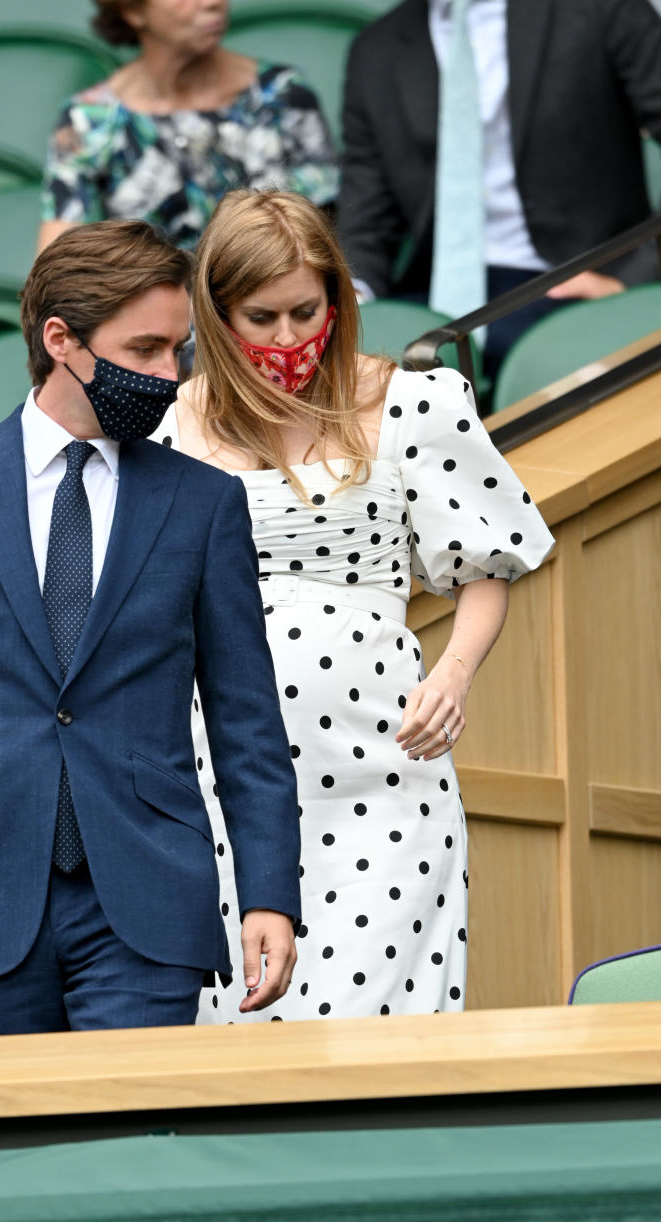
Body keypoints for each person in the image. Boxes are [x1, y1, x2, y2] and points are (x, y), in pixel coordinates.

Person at [0, 219, 301, 1036]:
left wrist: (270, 892)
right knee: (12, 1156)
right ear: (61, 339)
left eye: (177, 350)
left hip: (151, 897)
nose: (169, 374)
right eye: (147, 349)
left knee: (134, 1146)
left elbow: (248, 722)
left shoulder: (204, 502)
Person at [155, 190, 554, 1020]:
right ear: (216, 312)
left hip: (385, 779)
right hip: (216, 785)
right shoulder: (170, 422)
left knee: (373, 1042)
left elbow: (488, 563)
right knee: (239, 1058)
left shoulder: (414, 401)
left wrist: (454, 672)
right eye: (261, 316)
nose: (290, 337)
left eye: (309, 309)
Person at [336, 0, 661, 377]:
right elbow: (366, 214)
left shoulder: (599, 8)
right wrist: (350, 301)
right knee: (361, 374)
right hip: (435, 291)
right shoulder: (376, 50)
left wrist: (635, 276)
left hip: (576, 278)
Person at [37, 0, 338, 256]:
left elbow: (329, 231)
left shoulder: (282, 94)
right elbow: (56, 258)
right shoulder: (89, 119)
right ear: (132, 10)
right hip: (156, 314)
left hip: (271, 309)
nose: (212, 3)